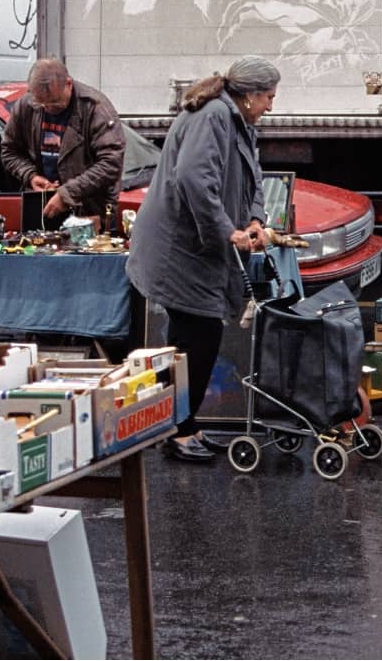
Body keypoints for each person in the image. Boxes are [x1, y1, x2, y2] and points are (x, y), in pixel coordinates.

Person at [126, 55, 280, 462]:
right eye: (267, 97)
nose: (270, 105)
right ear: (247, 95)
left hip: (195, 247)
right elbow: (194, 178)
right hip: (178, 247)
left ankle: (183, 423)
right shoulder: (213, 116)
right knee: (200, 334)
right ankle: (177, 431)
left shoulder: (238, 121)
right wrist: (224, 230)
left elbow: (254, 176)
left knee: (189, 337)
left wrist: (254, 218)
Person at [1, 56, 125, 228]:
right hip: (42, 211)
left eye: (55, 103)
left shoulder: (95, 108)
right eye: (41, 104)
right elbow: (10, 152)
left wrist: (67, 193)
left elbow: (111, 163)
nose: (48, 109)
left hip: (89, 213)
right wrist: (30, 176)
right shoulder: (26, 105)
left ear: (69, 84)